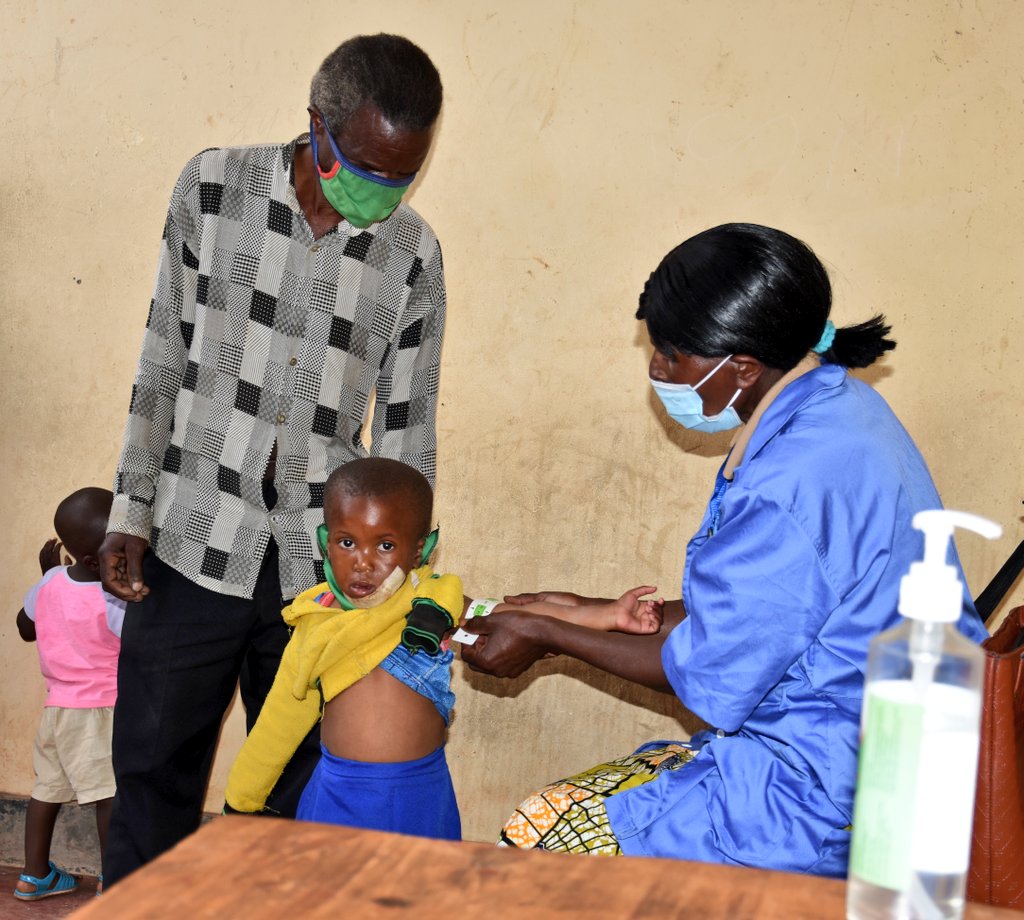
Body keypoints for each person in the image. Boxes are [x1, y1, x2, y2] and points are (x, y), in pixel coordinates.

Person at [461, 223, 989, 877]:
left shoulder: (789, 482)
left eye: (672, 354)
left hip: (834, 798)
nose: (657, 369)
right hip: (888, 751)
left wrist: (550, 634)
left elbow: (711, 674)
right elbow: (765, 614)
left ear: (742, 368)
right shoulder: (837, 408)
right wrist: (589, 612)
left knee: (540, 840)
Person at [98, 34, 446, 886]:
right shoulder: (214, 188)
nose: (384, 191)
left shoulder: (413, 254)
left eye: (404, 175)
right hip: (190, 536)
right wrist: (129, 510)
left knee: (299, 795)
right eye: (368, 168)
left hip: (320, 573)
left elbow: (407, 429)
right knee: (152, 772)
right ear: (318, 127)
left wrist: (401, 587)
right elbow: (162, 356)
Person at [224, 457, 664, 837]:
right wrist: (241, 802)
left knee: (423, 893)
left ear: (419, 552)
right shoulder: (315, 621)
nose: (362, 562)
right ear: (325, 543)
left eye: (385, 545)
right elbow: (280, 720)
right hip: (336, 795)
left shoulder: (434, 605)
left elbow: (520, 619)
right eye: (346, 542)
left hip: (417, 793)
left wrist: (607, 616)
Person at [15, 488, 125, 900]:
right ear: (99, 561)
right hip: (100, 709)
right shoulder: (115, 598)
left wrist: (48, 578)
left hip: (57, 709)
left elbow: (26, 628)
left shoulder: (50, 582)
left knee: (46, 789)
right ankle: (113, 880)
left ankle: (33, 875)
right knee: (108, 793)